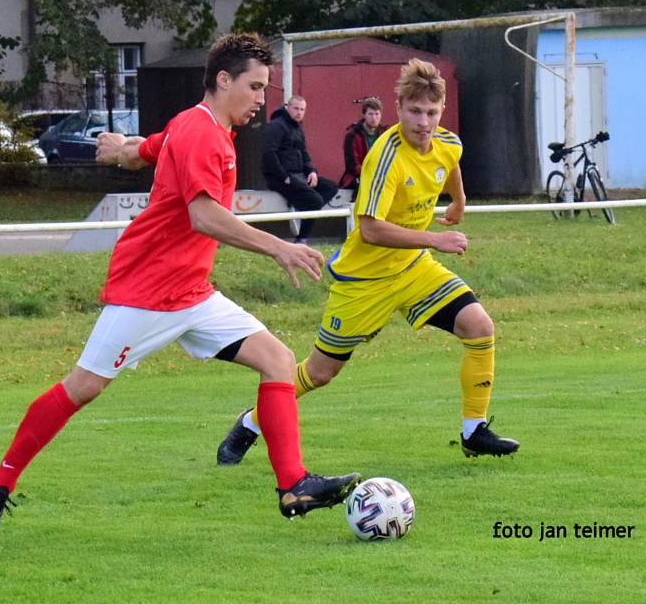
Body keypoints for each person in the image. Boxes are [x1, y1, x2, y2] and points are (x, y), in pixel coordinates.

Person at [0, 33, 360, 547]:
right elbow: (203, 216)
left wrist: (119, 150)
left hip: (191, 293)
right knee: (82, 388)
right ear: (223, 80)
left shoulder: (197, 125)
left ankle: (292, 485)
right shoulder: (201, 133)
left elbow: (146, 150)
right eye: (256, 87)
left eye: (265, 89)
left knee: (279, 361)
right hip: (146, 291)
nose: (262, 100)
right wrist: (278, 247)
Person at [217, 58, 520, 467]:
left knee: (479, 326)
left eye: (431, 113)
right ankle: (251, 422)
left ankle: (474, 432)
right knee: (320, 373)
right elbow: (371, 229)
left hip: (413, 269)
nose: (423, 122)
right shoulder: (385, 157)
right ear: (399, 109)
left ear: (441, 111)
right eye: (414, 112)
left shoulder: (448, 142)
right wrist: (435, 238)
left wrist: (459, 201)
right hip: (365, 280)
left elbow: (450, 164)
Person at [262, 95, 338, 243]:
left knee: (331, 187)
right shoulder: (276, 126)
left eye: (302, 109)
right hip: (280, 177)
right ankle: (301, 239)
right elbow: (268, 155)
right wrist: (284, 176)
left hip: (299, 175)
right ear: (287, 107)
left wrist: (312, 171)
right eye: (296, 108)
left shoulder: (297, 128)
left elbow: (304, 154)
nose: (299, 112)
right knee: (314, 201)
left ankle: (302, 206)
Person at [338, 97, 387, 193]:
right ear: (363, 115)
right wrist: (371, 174)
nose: (374, 118)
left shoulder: (385, 134)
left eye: (377, 114)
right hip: (359, 175)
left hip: (382, 174)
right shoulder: (352, 135)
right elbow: (351, 165)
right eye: (370, 114)